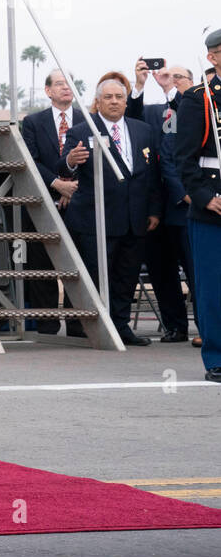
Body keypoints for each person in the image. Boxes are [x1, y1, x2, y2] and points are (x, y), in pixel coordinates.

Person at [61, 77, 163, 347]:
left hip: (135, 219)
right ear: (98, 101)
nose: (114, 101)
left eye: (119, 96)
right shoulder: (82, 131)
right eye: (108, 97)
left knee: (126, 277)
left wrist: (154, 210)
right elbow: (65, 165)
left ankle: (121, 326)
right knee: (97, 276)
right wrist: (70, 161)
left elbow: (152, 174)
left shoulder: (143, 130)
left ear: (126, 100)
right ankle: (95, 327)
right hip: (96, 220)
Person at [20, 69, 90, 332]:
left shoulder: (88, 120)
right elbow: (30, 160)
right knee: (43, 265)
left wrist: (74, 190)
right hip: (45, 201)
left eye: (69, 83)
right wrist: (58, 185)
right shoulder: (33, 122)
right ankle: (47, 328)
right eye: (59, 84)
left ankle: (77, 326)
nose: (65, 88)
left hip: (79, 202)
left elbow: (93, 161)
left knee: (79, 265)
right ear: (48, 90)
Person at [175, 29, 221, 381]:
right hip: (213, 205)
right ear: (213, 58)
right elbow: (185, 160)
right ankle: (217, 356)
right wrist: (207, 198)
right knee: (213, 287)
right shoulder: (198, 99)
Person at [143, 65, 196, 343]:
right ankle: (175, 326)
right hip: (155, 206)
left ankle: (206, 328)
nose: (172, 81)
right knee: (161, 273)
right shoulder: (158, 112)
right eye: (169, 76)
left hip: (186, 206)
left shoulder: (194, 107)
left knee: (195, 270)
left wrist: (187, 194)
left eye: (179, 77)